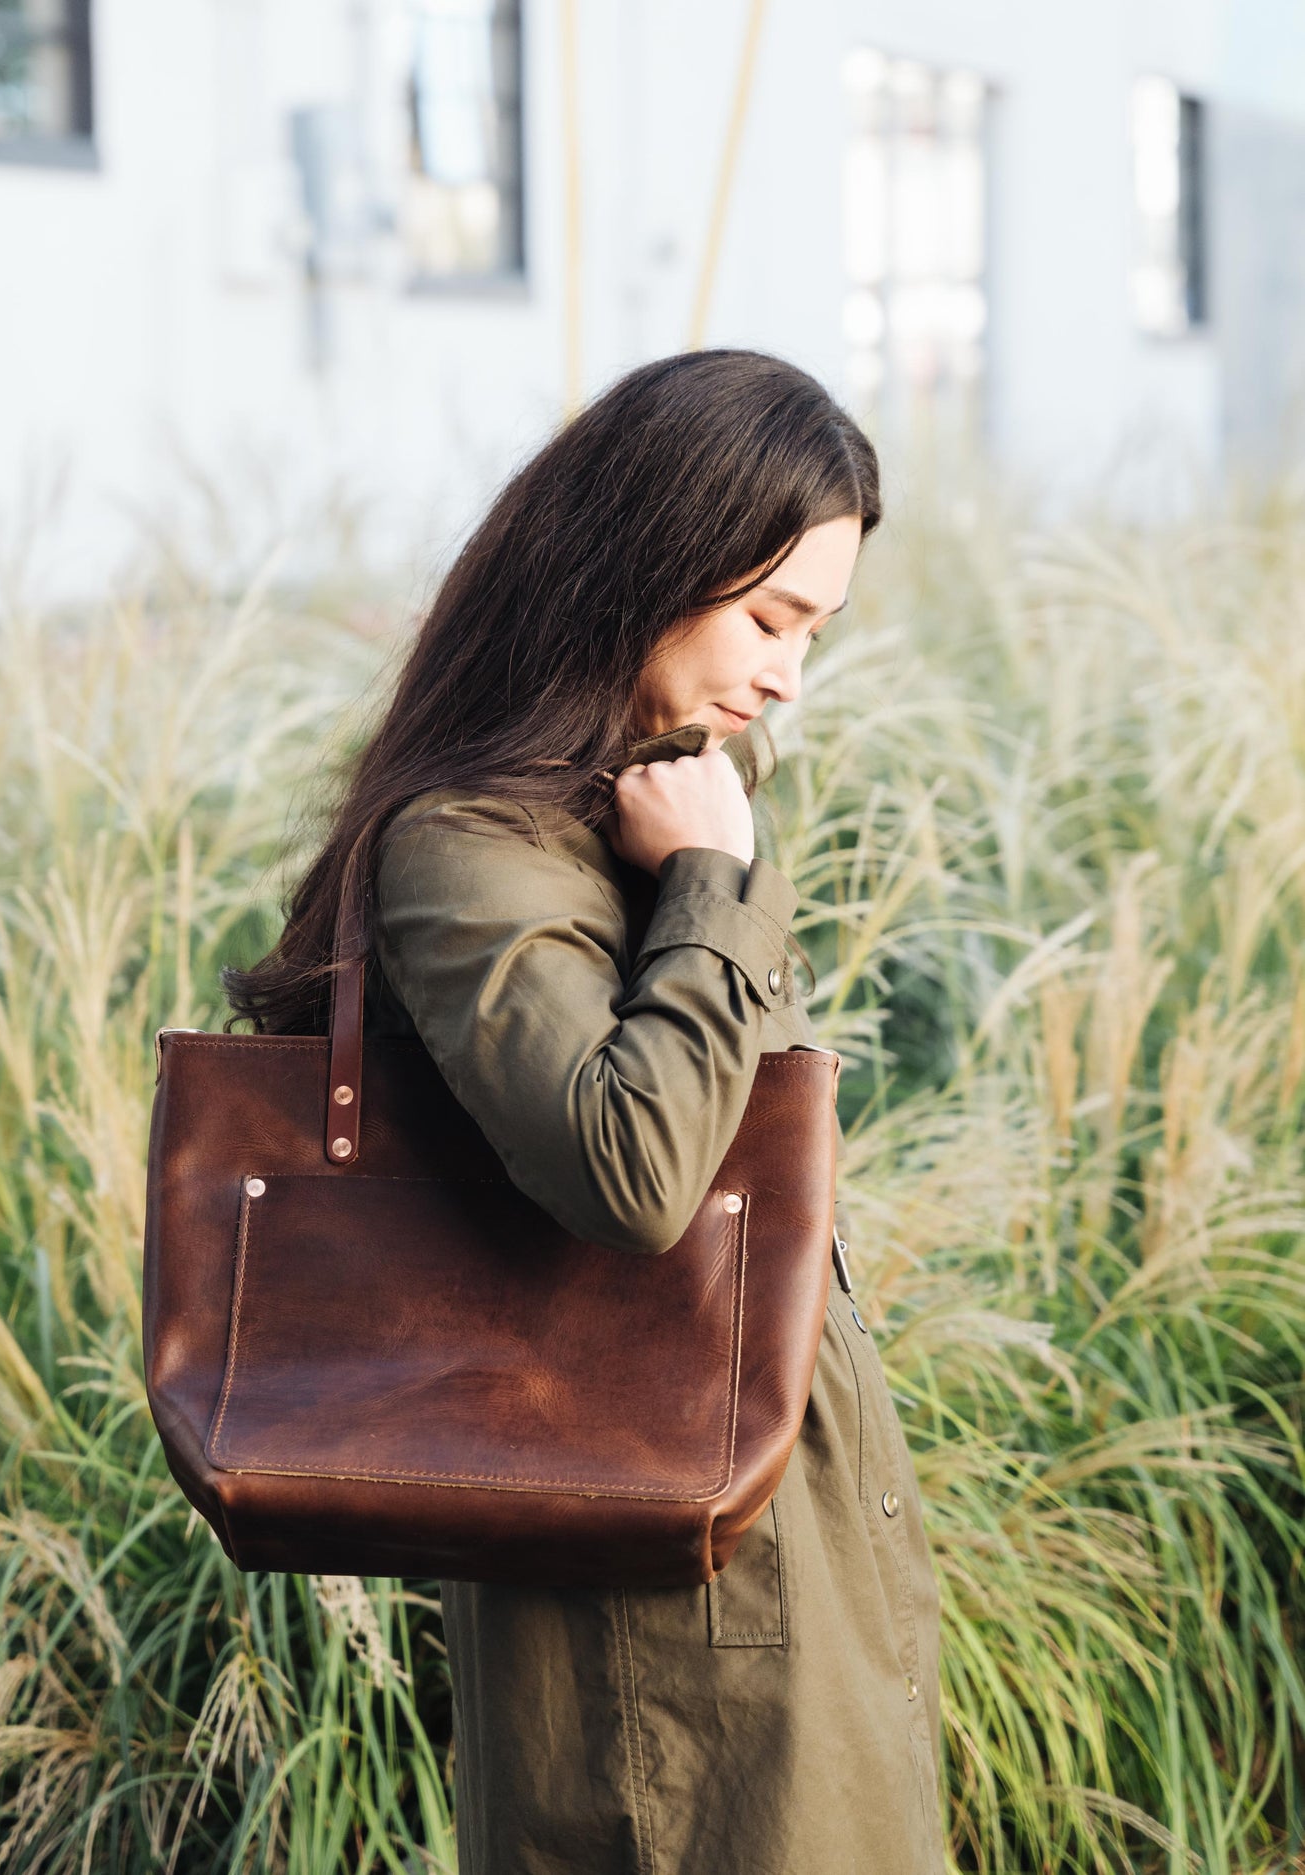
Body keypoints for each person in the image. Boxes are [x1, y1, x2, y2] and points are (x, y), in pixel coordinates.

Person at [225, 349, 943, 1874]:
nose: (788, 678)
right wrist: (708, 887)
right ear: (650, 564)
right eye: (770, 619)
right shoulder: (470, 848)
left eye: (815, 630)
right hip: (659, 1627)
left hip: (777, 1546)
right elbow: (634, 1175)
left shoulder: (637, 804)